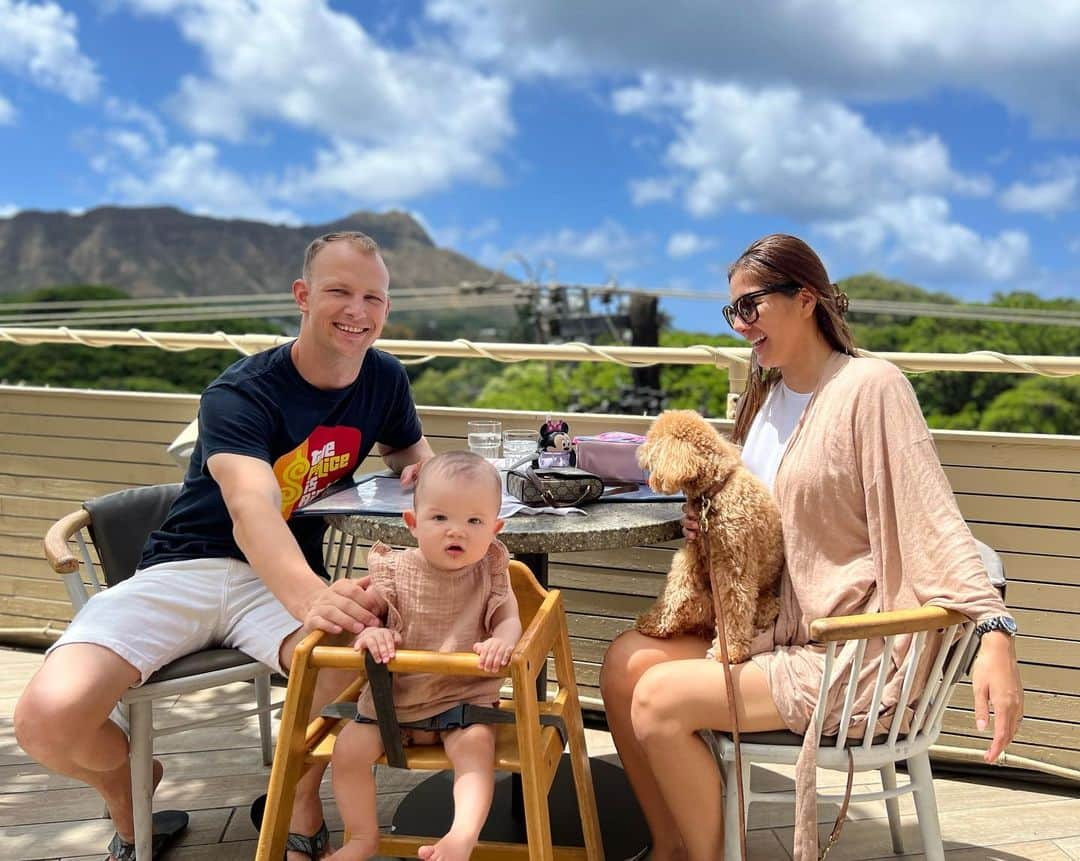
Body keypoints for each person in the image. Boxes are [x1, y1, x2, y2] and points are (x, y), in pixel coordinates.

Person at [599, 233, 1024, 861]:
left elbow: (934, 519)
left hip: (840, 646)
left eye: (751, 306)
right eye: (732, 312)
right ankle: (674, 845)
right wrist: (708, 521)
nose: (741, 324)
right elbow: (759, 511)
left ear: (806, 299)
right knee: (622, 664)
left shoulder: (870, 387)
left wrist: (994, 631)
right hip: (768, 624)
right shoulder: (764, 398)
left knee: (660, 700)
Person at [14, 231, 435, 861]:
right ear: (302, 295)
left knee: (361, 658)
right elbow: (250, 507)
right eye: (339, 291)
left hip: (277, 581)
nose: (357, 310)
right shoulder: (241, 391)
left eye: (372, 296)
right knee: (46, 720)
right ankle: (129, 790)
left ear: (386, 309)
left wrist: (419, 470)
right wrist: (311, 597)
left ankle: (294, 793)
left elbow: (408, 451)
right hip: (188, 567)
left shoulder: (384, 378)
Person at [328, 450, 521, 861]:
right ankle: (362, 838)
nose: (458, 532)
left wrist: (501, 641)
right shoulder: (394, 572)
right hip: (393, 700)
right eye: (440, 519)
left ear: (495, 529)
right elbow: (367, 617)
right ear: (413, 524)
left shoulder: (491, 572)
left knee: (476, 751)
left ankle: (461, 837)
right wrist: (373, 634)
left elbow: (508, 621)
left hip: (462, 698)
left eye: (474, 521)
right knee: (347, 751)